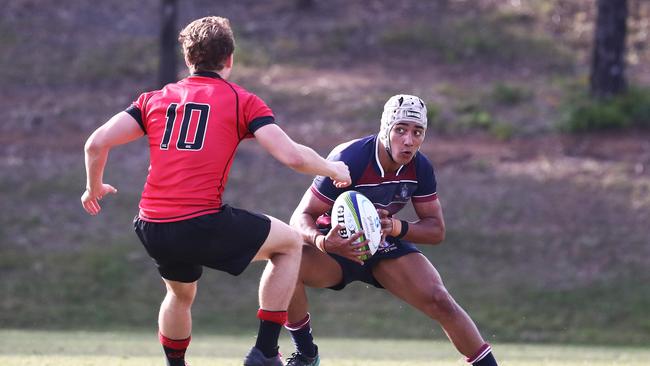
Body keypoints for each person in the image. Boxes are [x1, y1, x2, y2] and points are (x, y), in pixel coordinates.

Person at [80, 16, 351, 366]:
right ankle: (266, 352)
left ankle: (176, 364)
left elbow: (95, 143)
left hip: (153, 225)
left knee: (179, 295)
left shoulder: (155, 99)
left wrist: (94, 186)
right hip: (199, 220)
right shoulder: (241, 100)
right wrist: (333, 169)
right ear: (230, 59)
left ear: (188, 58)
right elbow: (291, 155)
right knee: (287, 245)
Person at [284, 95, 498, 366]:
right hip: (336, 245)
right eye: (400, 129)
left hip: (384, 244)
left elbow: (436, 230)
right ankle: (305, 355)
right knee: (285, 263)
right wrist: (324, 242)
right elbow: (301, 216)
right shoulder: (350, 158)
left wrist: (396, 226)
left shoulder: (420, 166)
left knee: (440, 300)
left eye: (417, 132)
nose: (408, 140)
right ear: (385, 129)